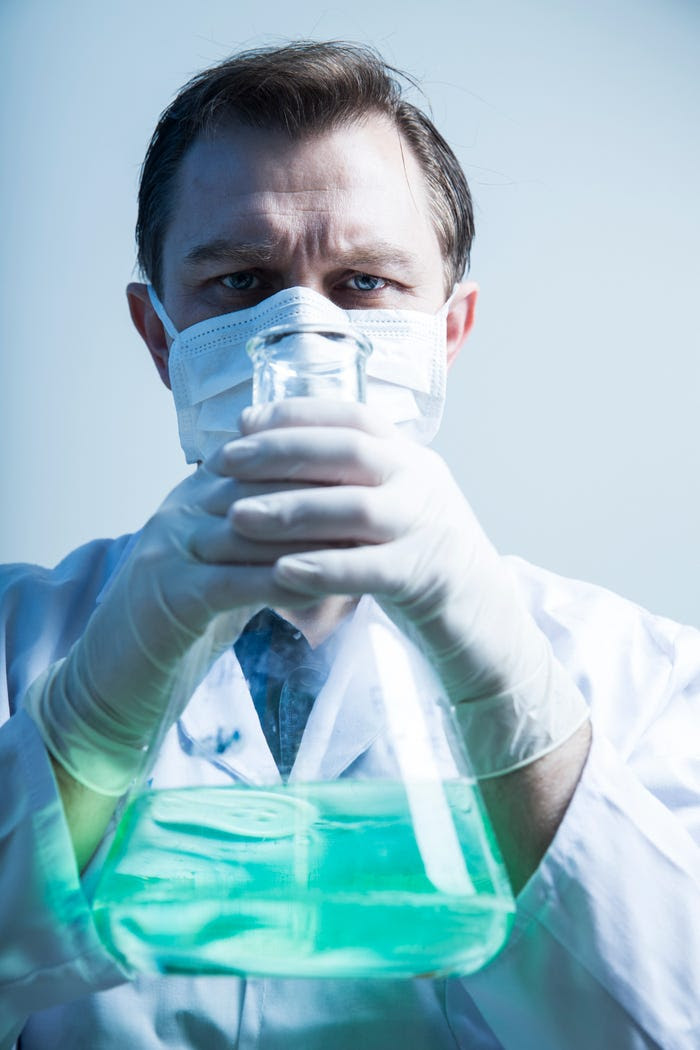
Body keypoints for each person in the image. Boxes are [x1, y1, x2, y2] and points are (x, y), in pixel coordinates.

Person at [1, 40, 698, 1050]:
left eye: (365, 282)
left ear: (448, 332)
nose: (302, 334)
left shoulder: (641, 679)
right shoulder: (18, 641)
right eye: (241, 282)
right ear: (159, 338)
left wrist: (510, 689)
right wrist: (90, 710)